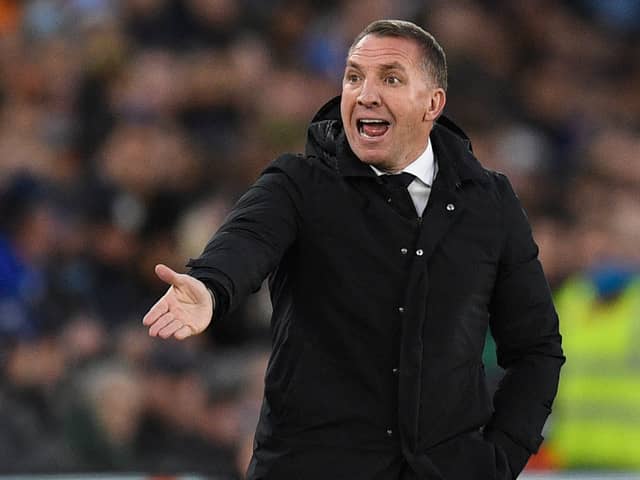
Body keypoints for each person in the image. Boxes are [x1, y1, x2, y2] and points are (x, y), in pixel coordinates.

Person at [143, 19, 564, 480]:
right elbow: (246, 239)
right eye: (354, 76)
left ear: (433, 104)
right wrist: (210, 285)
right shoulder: (298, 184)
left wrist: (499, 460)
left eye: (391, 78)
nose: (365, 94)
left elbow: (536, 348)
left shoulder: (489, 203)